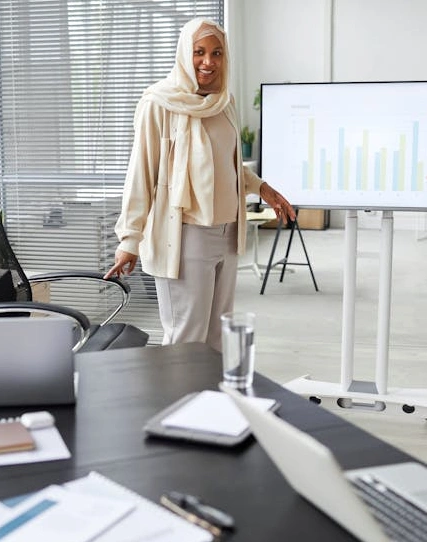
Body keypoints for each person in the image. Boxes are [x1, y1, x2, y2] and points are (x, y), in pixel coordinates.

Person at [105, 17, 296, 351]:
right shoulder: (159, 104)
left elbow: (230, 165)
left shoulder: (225, 103)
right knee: (186, 338)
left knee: (218, 338)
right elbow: (141, 174)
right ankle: (178, 402)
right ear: (184, 54)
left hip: (228, 231)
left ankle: (210, 401)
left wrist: (262, 188)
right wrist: (129, 239)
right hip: (185, 236)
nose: (208, 61)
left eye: (217, 53)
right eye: (199, 51)